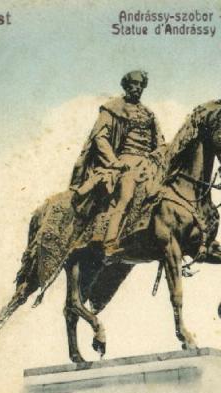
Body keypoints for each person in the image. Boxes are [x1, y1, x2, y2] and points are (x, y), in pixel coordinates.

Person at [69, 70, 165, 255]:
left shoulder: (149, 114)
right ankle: (110, 243)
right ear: (126, 86)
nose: (136, 88)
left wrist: (155, 155)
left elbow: (160, 142)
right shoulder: (113, 108)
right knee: (126, 194)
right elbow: (101, 138)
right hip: (125, 162)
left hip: (149, 164)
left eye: (140, 85)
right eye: (133, 84)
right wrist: (114, 162)